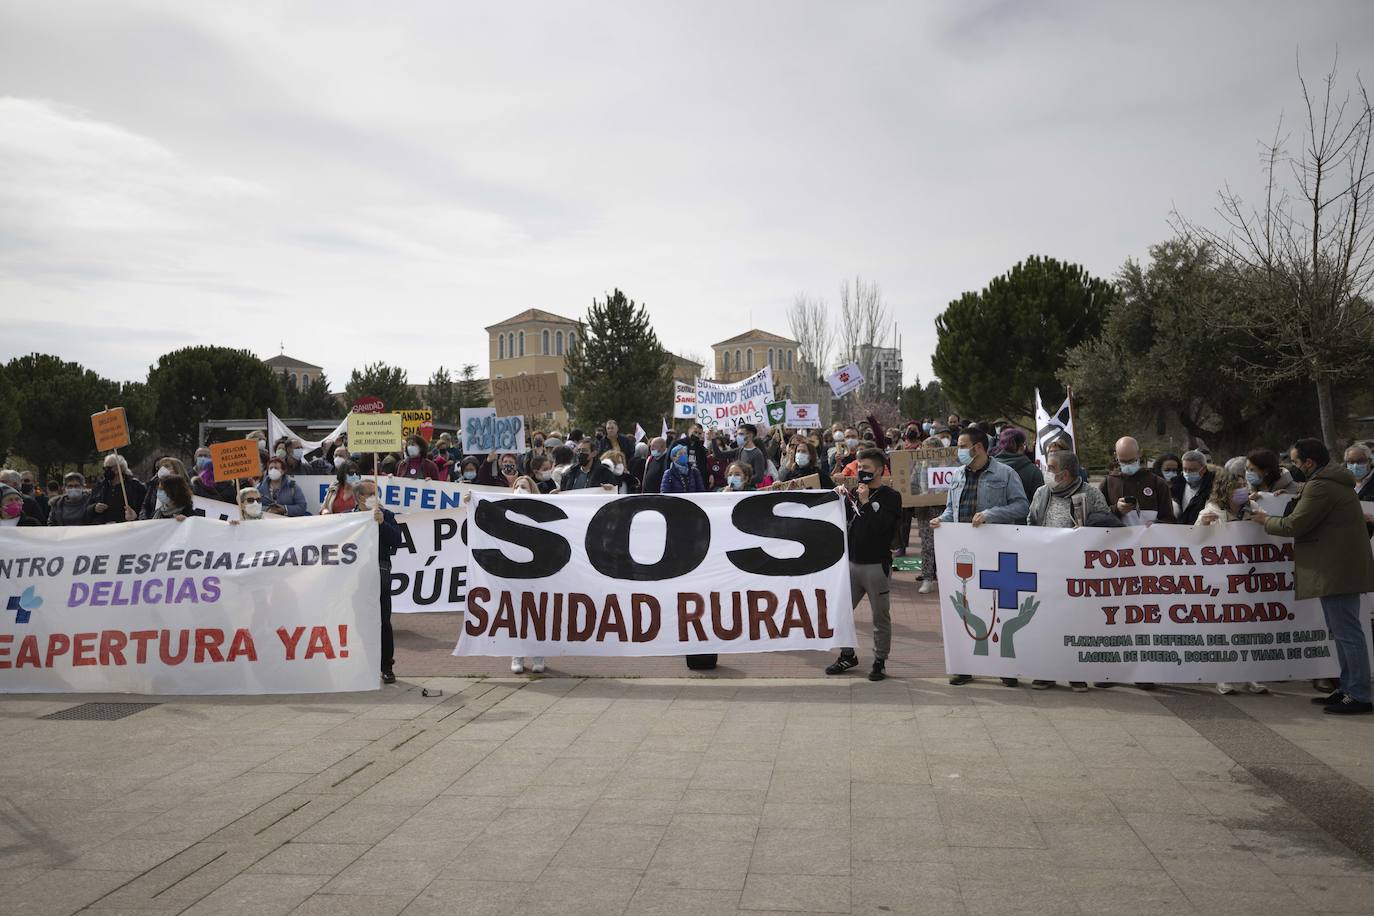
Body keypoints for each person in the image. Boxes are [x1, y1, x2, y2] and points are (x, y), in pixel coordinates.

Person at [1251, 439, 1374, 715]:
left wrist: (1263, 520)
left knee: (1347, 633)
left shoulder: (1322, 486)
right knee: (1341, 632)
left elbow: (1295, 524)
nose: (1293, 467)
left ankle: (1359, 694)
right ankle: (1348, 688)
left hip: (1337, 569)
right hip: (1337, 567)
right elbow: (1304, 493)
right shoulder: (1328, 482)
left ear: (1309, 463)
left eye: (1295, 462)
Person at [931, 426, 1029, 687]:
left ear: (978, 448)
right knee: (966, 609)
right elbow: (951, 510)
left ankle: (1006, 667)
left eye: (962, 445)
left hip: (995, 555)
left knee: (999, 609)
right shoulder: (957, 476)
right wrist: (940, 520)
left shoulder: (1006, 474)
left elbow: (1022, 506)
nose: (958, 450)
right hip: (964, 555)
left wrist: (991, 515)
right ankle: (965, 666)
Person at [1026, 450, 1112, 691]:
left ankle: (1076, 673)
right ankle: (1046, 672)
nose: (1046, 472)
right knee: (1047, 622)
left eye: (1050, 468)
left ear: (1064, 474)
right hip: (1047, 569)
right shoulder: (1042, 493)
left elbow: (1106, 527)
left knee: (1075, 624)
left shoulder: (1091, 493)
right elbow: (1031, 522)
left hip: (1078, 572)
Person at [822, 449, 903, 681]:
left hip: (876, 566)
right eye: (859, 467)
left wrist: (866, 503)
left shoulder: (891, 496)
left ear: (879, 469)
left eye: (866, 468)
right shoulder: (855, 493)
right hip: (852, 563)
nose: (861, 472)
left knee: (880, 616)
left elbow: (882, 528)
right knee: (839, 610)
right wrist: (839, 496)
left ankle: (879, 661)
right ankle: (847, 655)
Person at [1193, 466, 1269, 696]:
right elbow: (1192, 542)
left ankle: (1252, 676)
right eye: (1236, 486)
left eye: (1244, 485)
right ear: (1224, 489)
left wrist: (1264, 521)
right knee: (1224, 629)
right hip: (1222, 581)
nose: (1242, 489)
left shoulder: (1253, 508)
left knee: (1251, 628)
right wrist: (1203, 525)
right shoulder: (1212, 510)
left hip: (1249, 576)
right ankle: (1223, 676)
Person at [352, 478, 401, 685]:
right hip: (354, 573)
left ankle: (386, 666)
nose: (375, 498)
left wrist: (382, 523)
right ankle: (363, 662)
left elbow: (397, 540)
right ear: (359, 497)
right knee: (359, 620)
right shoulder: (348, 518)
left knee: (382, 620)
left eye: (376, 493)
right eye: (371, 494)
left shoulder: (386, 514)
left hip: (379, 568)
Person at [1101, 436, 1176, 524]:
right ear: (1115, 456)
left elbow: (1169, 519)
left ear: (1140, 453)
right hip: (1119, 537)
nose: (1128, 465)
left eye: (1132, 460)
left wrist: (1157, 524)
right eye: (1123, 461)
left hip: (1151, 537)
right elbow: (1098, 518)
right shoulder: (1108, 483)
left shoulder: (1158, 483)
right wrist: (1116, 509)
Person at [86, 453, 147, 525]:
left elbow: (145, 509)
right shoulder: (99, 487)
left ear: (120, 468)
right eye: (104, 468)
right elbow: (87, 508)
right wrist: (94, 508)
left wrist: (135, 517)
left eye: (109, 468)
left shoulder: (135, 486)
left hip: (128, 528)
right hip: (104, 528)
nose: (106, 471)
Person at [993, 427, 1044, 502]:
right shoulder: (1033, 471)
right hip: (1025, 513)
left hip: (991, 513)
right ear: (1021, 446)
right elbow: (1041, 501)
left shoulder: (990, 467)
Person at [1171, 450, 1214, 526]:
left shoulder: (1213, 486)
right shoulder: (1176, 484)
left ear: (1203, 469)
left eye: (1192, 470)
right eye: (1185, 469)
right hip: (1179, 530)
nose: (1187, 473)